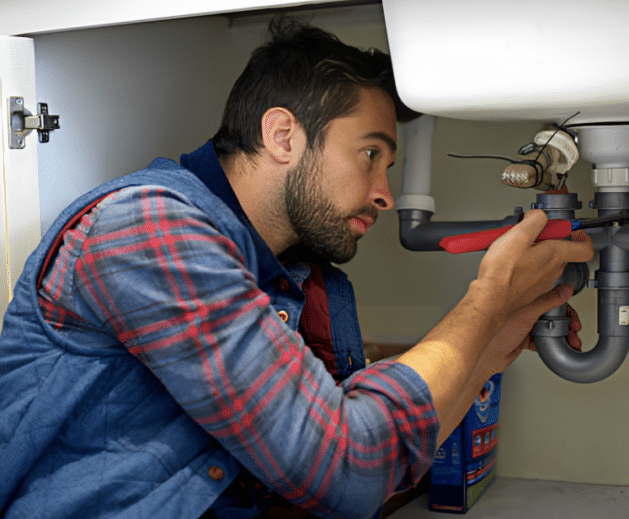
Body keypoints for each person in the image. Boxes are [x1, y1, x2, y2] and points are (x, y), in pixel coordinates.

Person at [0, 17, 593, 519]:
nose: (384, 194)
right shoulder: (150, 230)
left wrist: (495, 336)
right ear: (284, 135)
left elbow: (379, 449)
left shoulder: (293, 278)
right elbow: (347, 468)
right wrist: (486, 300)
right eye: (370, 155)